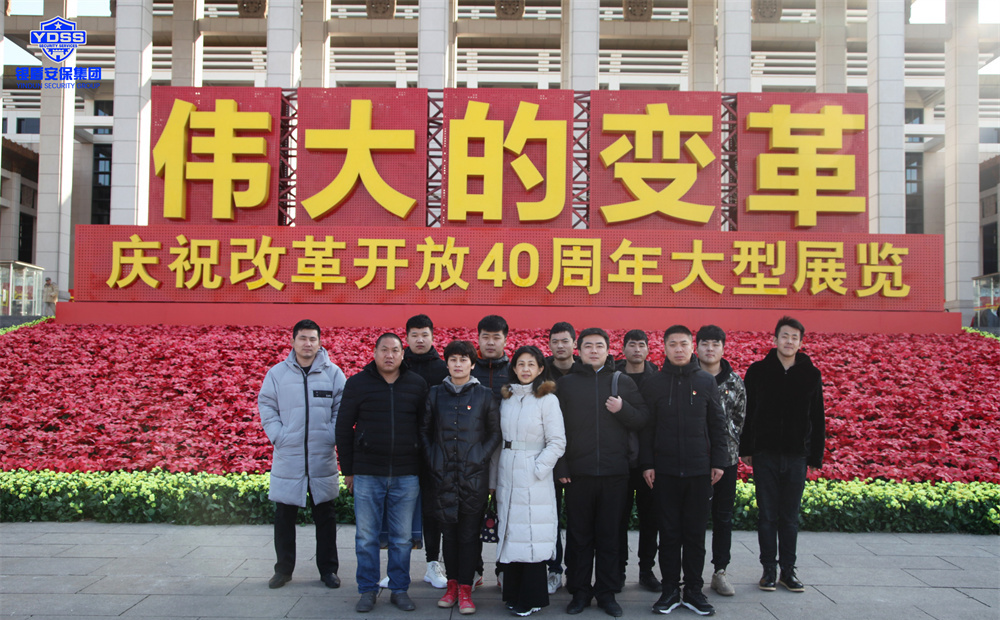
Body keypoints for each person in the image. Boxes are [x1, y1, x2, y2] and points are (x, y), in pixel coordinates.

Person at [555, 327, 648, 618]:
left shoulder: (622, 382)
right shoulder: (567, 385)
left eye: (599, 346)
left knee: (610, 536)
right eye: (587, 346)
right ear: (578, 351)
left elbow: (643, 419)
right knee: (579, 536)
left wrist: (622, 409)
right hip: (579, 474)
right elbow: (555, 430)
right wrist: (562, 465)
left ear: (609, 350)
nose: (593, 350)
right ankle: (580, 591)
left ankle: (607, 593)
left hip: (614, 473)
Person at [337, 333, 429, 613]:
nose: (389, 355)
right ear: (375, 353)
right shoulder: (357, 383)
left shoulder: (417, 384)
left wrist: (422, 470)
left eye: (395, 350)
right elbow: (343, 428)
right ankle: (367, 589)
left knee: (402, 538)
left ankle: (399, 589)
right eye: (384, 350)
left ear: (403, 354)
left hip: (406, 473)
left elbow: (425, 430)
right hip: (367, 473)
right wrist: (349, 470)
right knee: (366, 537)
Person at [640, 325, 727, 617]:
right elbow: (646, 430)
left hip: (699, 472)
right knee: (669, 534)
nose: (679, 349)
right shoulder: (653, 383)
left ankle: (693, 591)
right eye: (673, 344)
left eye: (684, 344)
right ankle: (668, 591)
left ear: (692, 347)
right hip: (663, 472)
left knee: (694, 535)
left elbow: (717, 423)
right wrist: (648, 464)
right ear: (663, 347)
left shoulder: (705, 382)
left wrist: (718, 461)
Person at [258, 319, 347, 590]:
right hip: (289, 455)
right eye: (303, 338)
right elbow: (266, 404)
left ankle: (328, 570)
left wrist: (330, 435)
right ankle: (283, 570)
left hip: (321, 456)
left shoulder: (333, 374)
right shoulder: (277, 374)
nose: (308, 344)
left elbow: (342, 408)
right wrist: (279, 435)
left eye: (312, 339)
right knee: (284, 516)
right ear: (293, 341)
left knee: (326, 516)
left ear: (320, 342)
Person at [740, 316, 826, 594]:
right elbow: (748, 412)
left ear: (801, 343)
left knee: (789, 516)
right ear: (774, 339)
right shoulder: (758, 372)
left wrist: (814, 456)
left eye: (794, 338)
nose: (789, 342)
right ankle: (768, 570)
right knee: (767, 515)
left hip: (796, 456)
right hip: (764, 454)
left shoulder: (811, 374)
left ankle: (788, 571)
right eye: (784, 336)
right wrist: (747, 449)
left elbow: (818, 416)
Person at [420, 340, 501, 615]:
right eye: (453, 360)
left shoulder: (485, 396)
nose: (458, 364)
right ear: (447, 363)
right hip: (443, 477)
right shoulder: (434, 394)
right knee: (449, 534)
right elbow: (424, 431)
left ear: (472, 364)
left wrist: (480, 455)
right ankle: (452, 586)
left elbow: (494, 433)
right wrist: (434, 458)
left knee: (469, 535)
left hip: (472, 478)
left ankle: (466, 588)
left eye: (463, 360)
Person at [492, 345, 566, 617]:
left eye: (531, 364)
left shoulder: (547, 399)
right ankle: (512, 594)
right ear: (513, 368)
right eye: (520, 364)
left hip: (534, 473)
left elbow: (558, 442)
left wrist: (538, 468)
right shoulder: (508, 398)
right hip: (508, 469)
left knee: (532, 534)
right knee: (512, 532)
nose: (525, 369)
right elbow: (500, 440)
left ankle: (532, 597)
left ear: (540, 369)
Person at [695, 325, 747, 598]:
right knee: (692, 518)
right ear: (697, 347)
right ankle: (689, 574)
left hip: (725, 461)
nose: (710, 349)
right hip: (693, 460)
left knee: (723, 517)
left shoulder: (734, 382)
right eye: (705, 343)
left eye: (715, 344)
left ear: (723, 348)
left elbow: (739, 420)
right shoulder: (687, 378)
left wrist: (729, 449)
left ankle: (720, 571)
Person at [404, 314, 449, 589]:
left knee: (433, 511)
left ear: (433, 336)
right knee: (400, 510)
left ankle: (433, 564)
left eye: (425, 334)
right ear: (406, 337)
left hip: (435, 452)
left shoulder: (443, 369)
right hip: (402, 452)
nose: (420, 340)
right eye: (414, 335)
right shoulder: (395, 365)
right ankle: (397, 568)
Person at [615, 329, 661, 593]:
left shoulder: (656, 379)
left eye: (641, 345)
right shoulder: (615, 378)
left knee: (649, 519)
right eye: (631, 345)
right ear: (624, 349)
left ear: (647, 350)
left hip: (649, 462)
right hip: (620, 461)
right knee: (617, 520)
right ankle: (618, 571)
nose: (636, 350)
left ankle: (646, 570)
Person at [470, 313, 509, 588]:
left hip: (507, 452)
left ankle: (505, 568)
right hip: (474, 452)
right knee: (472, 512)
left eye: (496, 337)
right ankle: (474, 569)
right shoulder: (469, 369)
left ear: (506, 339)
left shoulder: (515, 369)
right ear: (479, 339)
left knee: (507, 513)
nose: (491, 342)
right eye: (486, 337)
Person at [541, 321, 578, 594]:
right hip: (548, 457)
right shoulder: (541, 372)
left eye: (565, 341)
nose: (560, 346)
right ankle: (554, 569)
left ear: (574, 344)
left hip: (580, 458)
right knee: (550, 517)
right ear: (550, 344)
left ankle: (576, 573)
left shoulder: (586, 371)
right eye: (555, 341)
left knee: (578, 520)